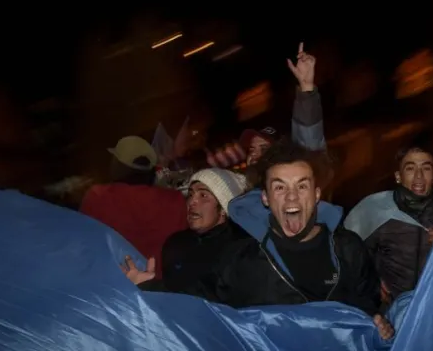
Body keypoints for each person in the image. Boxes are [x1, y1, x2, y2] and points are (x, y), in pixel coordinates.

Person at [123, 141, 394, 340]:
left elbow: (367, 306)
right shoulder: (242, 261)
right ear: (265, 198)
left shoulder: (348, 249)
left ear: (316, 194)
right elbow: (198, 304)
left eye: (301, 186)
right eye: (279, 187)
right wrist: (149, 286)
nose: (291, 198)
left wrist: (378, 324)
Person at [344, 146, 433, 305]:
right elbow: (345, 254)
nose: (419, 176)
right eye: (410, 168)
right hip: (389, 312)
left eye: (426, 168)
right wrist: (371, 282)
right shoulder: (374, 208)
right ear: (398, 176)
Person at [208, 43, 326, 171]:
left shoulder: (292, 182)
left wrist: (306, 87)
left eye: (264, 149)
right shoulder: (250, 182)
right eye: (252, 149)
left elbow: (309, 143)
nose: (253, 153)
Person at [81, 135, 187, 276]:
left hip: (116, 287)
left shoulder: (97, 198)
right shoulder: (176, 200)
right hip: (167, 289)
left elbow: (84, 246)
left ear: (119, 166)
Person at [136, 168, 249, 295]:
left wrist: (150, 286)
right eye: (190, 195)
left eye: (203, 195)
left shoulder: (240, 250)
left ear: (223, 208)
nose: (192, 202)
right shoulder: (176, 243)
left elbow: (209, 301)